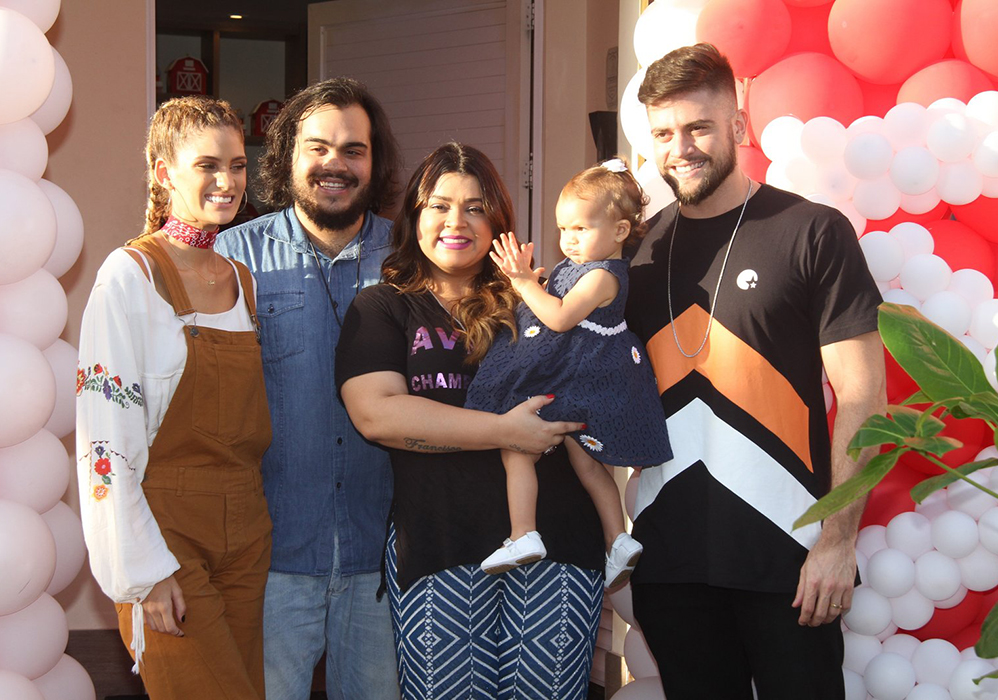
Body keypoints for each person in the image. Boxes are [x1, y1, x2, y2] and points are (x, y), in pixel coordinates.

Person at [624, 44, 886, 700]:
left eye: (698, 128)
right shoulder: (634, 253)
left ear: (738, 127)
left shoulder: (813, 233)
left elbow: (862, 395)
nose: (679, 148)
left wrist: (837, 541)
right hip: (671, 563)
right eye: (662, 134)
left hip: (790, 562)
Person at [336, 142, 606, 699]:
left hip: (555, 539)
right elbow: (377, 415)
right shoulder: (382, 308)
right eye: (439, 205)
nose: (456, 221)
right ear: (413, 215)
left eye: (476, 207)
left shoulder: (540, 297)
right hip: (438, 544)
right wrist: (507, 431)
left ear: (498, 222)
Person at [213, 78, 403, 700]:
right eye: (318, 147)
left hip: (385, 560)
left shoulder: (410, 257)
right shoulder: (231, 259)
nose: (335, 164)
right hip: (272, 558)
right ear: (288, 154)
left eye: (354, 150)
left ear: (374, 164)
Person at [77, 96, 271, 699]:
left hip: (247, 532)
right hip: (166, 536)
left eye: (238, 165)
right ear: (164, 172)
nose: (227, 181)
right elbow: (103, 437)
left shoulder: (242, 279)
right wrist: (143, 574)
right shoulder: (127, 276)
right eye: (208, 165)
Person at [465, 158, 672, 587]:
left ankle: (523, 533)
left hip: (577, 378)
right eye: (563, 229)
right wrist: (536, 282)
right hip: (584, 377)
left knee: (517, 449)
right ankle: (618, 540)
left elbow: (558, 319)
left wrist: (525, 285)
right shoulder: (585, 269)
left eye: (580, 229)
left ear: (618, 231)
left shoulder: (603, 277)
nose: (568, 240)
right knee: (589, 463)